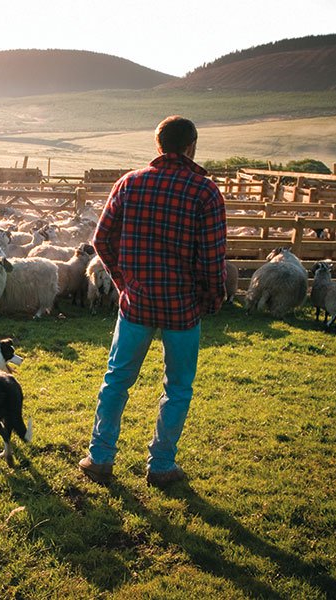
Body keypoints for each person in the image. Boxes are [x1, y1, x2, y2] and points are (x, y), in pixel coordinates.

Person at [78, 115, 227, 488]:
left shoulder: (129, 183)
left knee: (116, 380)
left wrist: (123, 281)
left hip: (136, 304)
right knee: (177, 386)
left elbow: (101, 241)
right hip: (182, 308)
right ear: (191, 146)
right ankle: (160, 465)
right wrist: (211, 297)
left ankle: (100, 457)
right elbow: (212, 259)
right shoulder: (205, 192)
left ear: (158, 146)